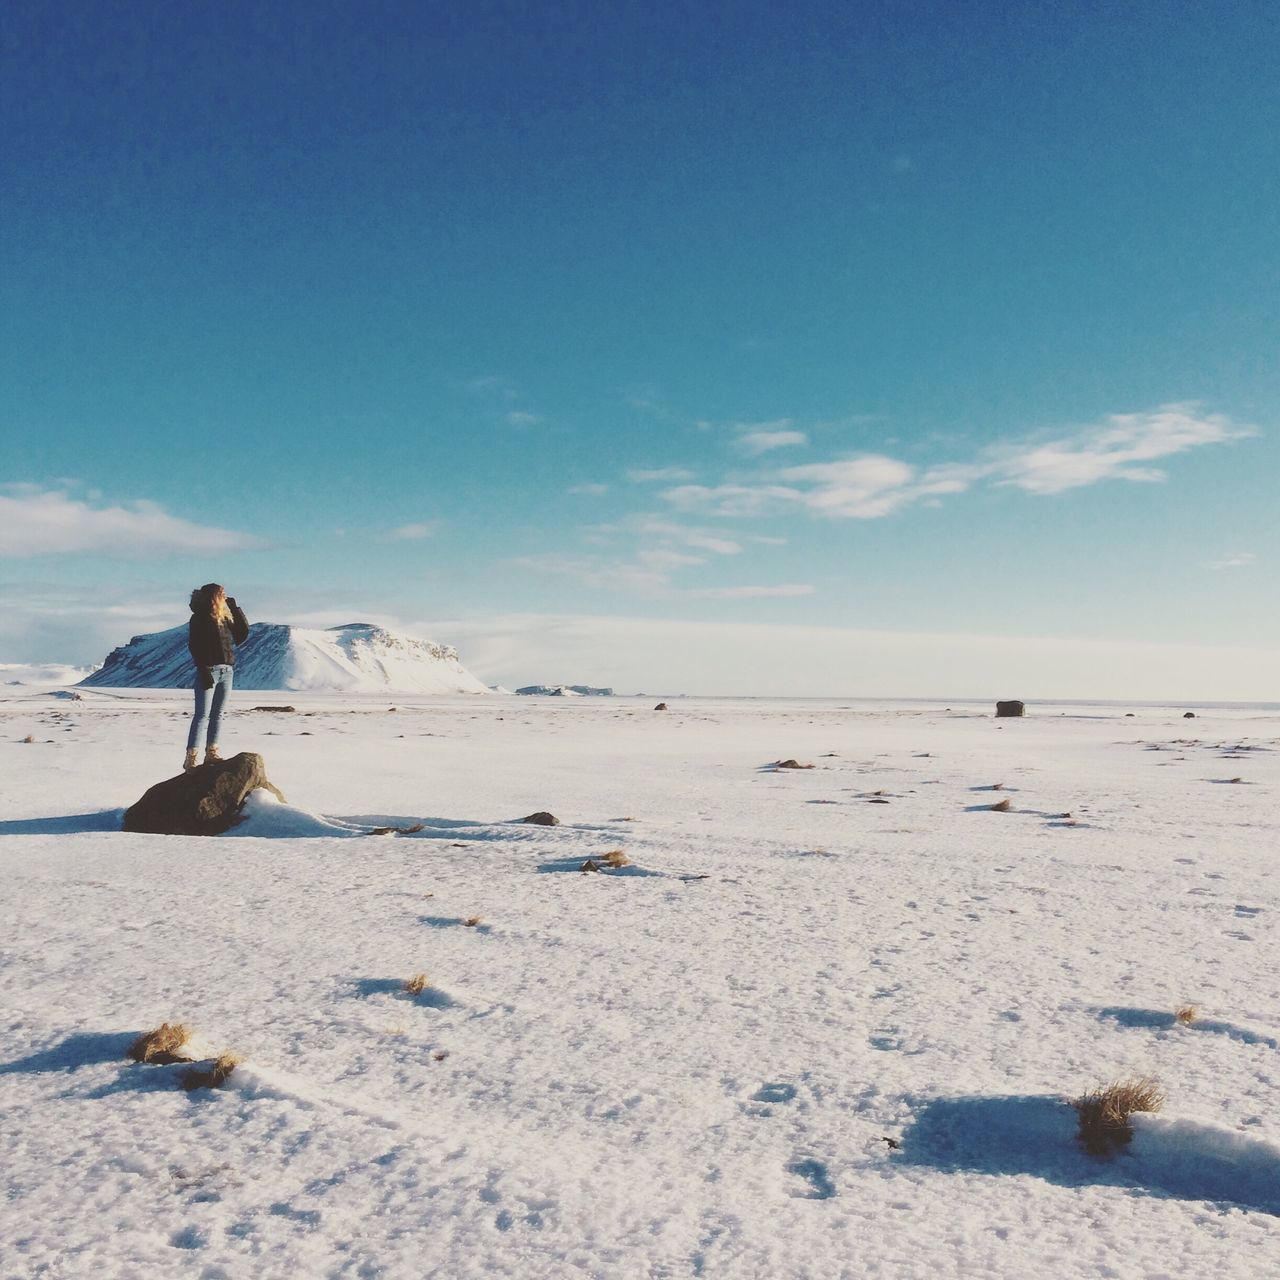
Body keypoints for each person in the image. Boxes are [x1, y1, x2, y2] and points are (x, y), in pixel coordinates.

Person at [184, 584, 250, 771]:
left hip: (227, 671)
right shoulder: (199, 618)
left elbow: (242, 634)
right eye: (223, 594)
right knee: (201, 715)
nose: (225, 596)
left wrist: (235, 609)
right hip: (209, 670)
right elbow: (194, 645)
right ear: (215, 596)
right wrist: (203, 670)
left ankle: (211, 752)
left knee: (217, 714)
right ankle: (191, 757)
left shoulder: (224, 617)